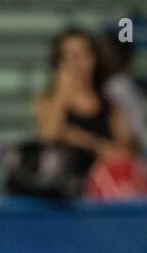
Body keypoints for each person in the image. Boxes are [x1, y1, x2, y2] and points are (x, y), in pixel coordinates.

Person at [34, 27, 135, 174]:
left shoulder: (111, 105)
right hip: (62, 187)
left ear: (94, 59)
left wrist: (83, 140)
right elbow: (48, 138)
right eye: (72, 56)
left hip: (99, 188)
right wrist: (62, 95)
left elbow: (125, 152)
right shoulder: (47, 100)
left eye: (85, 54)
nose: (79, 63)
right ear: (60, 63)